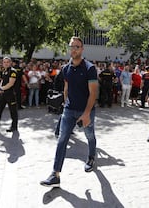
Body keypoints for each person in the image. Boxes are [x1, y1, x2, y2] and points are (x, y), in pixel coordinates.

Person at [40, 36, 98, 187]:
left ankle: (91, 157)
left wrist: (86, 114)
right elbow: (66, 87)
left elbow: (93, 93)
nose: (74, 49)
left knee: (89, 136)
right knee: (61, 139)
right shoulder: (66, 68)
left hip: (86, 111)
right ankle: (55, 175)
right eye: (72, 46)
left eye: (77, 47)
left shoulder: (90, 68)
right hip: (69, 110)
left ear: (82, 49)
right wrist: (65, 103)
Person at [0, 57, 18, 132]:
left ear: (10, 62)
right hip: (3, 93)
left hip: (10, 94)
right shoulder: (4, 71)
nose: (6, 63)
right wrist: (0, 88)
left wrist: (0, 89)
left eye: (7, 62)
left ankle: (14, 127)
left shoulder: (13, 71)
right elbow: (2, 81)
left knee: (13, 111)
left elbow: (11, 83)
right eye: (4, 62)